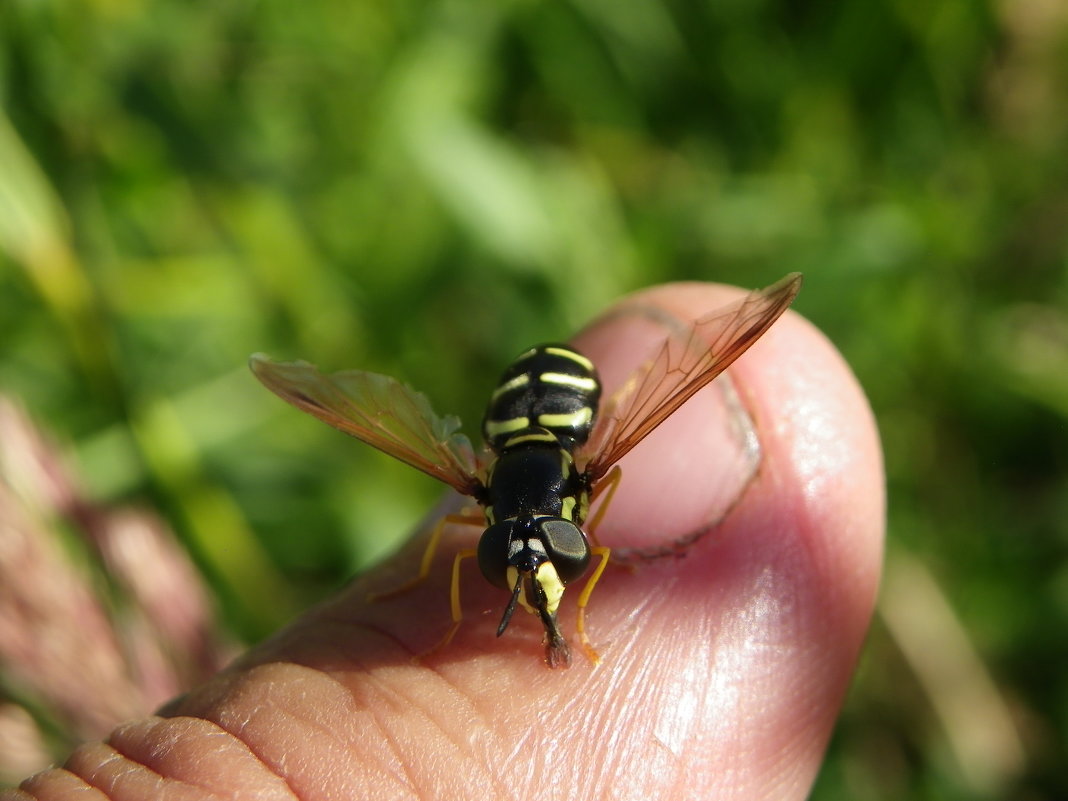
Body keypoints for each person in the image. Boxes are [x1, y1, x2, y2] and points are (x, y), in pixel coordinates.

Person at [3, 282, 884, 801]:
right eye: (524, 555)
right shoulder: (480, 494)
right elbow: (503, 535)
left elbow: (592, 501)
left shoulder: (583, 479)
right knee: (455, 545)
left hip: (561, 415)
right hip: (538, 420)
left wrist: (602, 552)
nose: (536, 563)